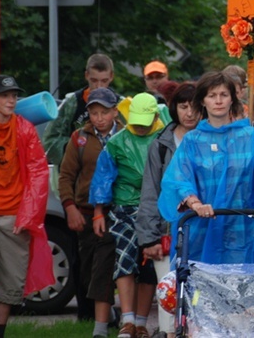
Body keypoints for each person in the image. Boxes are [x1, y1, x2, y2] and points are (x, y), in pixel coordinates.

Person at [157, 71, 254, 265]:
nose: (218, 101)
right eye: (212, 95)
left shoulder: (251, 137)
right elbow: (179, 179)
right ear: (203, 101)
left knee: (238, 287)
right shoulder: (192, 141)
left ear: (233, 99)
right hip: (201, 230)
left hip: (240, 229)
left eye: (224, 95)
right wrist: (196, 204)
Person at [0, 75, 54, 338]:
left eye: (14, 96)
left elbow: (39, 173)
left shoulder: (25, 129)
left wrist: (28, 216)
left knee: (11, 280)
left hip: (15, 212)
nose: (11, 100)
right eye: (4, 95)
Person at [90, 93, 164, 338]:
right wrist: (99, 212)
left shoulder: (165, 138)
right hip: (124, 208)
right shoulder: (117, 142)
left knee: (150, 266)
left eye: (145, 121)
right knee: (124, 260)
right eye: (136, 122)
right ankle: (128, 320)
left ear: (155, 116)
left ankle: (142, 323)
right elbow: (102, 178)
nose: (140, 127)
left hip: (156, 209)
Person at [58, 88, 124, 338]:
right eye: (94, 113)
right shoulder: (79, 138)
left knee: (105, 268)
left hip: (116, 209)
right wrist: (69, 206)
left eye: (104, 112)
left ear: (115, 111)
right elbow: (66, 176)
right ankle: (110, 312)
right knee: (87, 272)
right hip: (85, 210)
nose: (99, 118)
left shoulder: (126, 134)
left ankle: (101, 326)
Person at [136, 83, 198, 338]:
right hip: (166, 231)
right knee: (169, 295)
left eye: (195, 107)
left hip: (201, 230)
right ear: (174, 109)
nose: (190, 113)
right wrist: (148, 236)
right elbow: (150, 191)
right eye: (183, 107)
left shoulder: (209, 140)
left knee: (198, 300)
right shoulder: (160, 145)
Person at [43, 53, 118, 169]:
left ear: (111, 76)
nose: (99, 86)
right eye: (94, 80)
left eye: (104, 81)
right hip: (76, 172)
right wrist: (77, 147)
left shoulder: (121, 104)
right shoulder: (71, 103)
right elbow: (50, 142)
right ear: (86, 75)